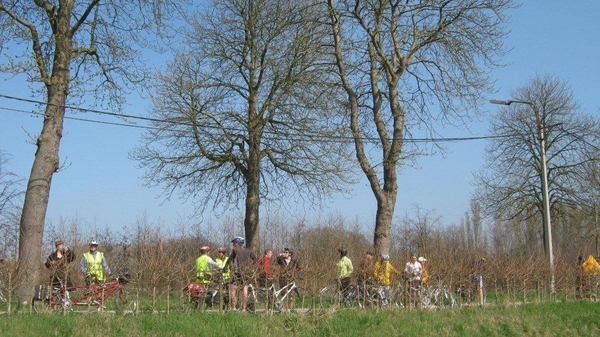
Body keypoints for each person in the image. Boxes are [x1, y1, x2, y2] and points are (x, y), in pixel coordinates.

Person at [227, 236, 256, 311]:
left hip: (237, 272)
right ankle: (244, 309)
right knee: (245, 289)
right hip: (246, 273)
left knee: (233, 289)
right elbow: (255, 259)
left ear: (237, 243)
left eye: (234, 242)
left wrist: (226, 267)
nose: (233, 244)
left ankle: (234, 307)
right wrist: (251, 268)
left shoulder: (235, 250)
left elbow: (230, 260)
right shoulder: (248, 251)